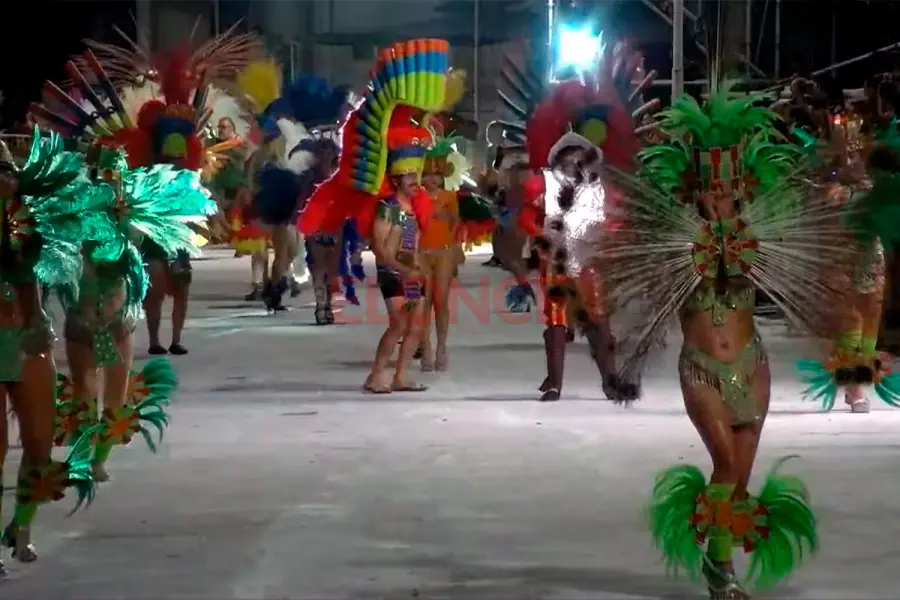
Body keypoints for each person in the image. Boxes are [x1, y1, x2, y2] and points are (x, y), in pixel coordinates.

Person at [602, 81, 840, 598]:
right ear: (695, 190)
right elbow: (645, 282)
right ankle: (722, 572)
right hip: (702, 370)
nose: (721, 198)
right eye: (711, 190)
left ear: (741, 189)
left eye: (729, 190)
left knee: (738, 477)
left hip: (753, 367)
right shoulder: (674, 240)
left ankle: (718, 561)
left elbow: (784, 277)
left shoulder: (761, 241)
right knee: (727, 465)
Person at [298, 38, 453, 393]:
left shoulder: (417, 205)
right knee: (399, 325)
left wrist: (421, 267)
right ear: (397, 178)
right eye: (410, 178)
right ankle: (375, 375)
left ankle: (399, 377)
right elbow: (381, 249)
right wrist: (405, 268)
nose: (416, 183)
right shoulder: (388, 207)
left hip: (412, 271)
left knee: (416, 328)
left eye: (417, 177)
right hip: (393, 273)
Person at [0, 134, 99, 568]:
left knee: (40, 444)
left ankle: (21, 524)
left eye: (6, 173)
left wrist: (41, 313)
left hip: (26, 331)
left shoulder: (28, 207)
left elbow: (42, 265)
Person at [237, 63, 349, 313]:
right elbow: (256, 156)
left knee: (299, 250)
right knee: (287, 249)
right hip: (290, 196)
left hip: (310, 196)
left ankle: (286, 289)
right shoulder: (285, 131)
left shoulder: (312, 131)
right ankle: (276, 289)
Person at [416, 137, 465, 371]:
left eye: (436, 174)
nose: (432, 179)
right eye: (427, 174)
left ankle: (442, 347)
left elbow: (456, 223)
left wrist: (449, 226)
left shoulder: (450, 197)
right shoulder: (416, 197)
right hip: (421, 253)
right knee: (422, 302)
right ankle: (425, 347)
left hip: (444, 252)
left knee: (440, 301)